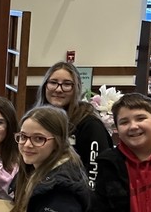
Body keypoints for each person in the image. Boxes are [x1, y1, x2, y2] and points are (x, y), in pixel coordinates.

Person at [34, 61, 113, 189]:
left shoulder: (90, 124)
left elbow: (97, 173)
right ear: (45, 86)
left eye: (67, 84)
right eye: (53, 82)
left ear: (76, 88)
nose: (58, 89)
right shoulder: (37, 120)